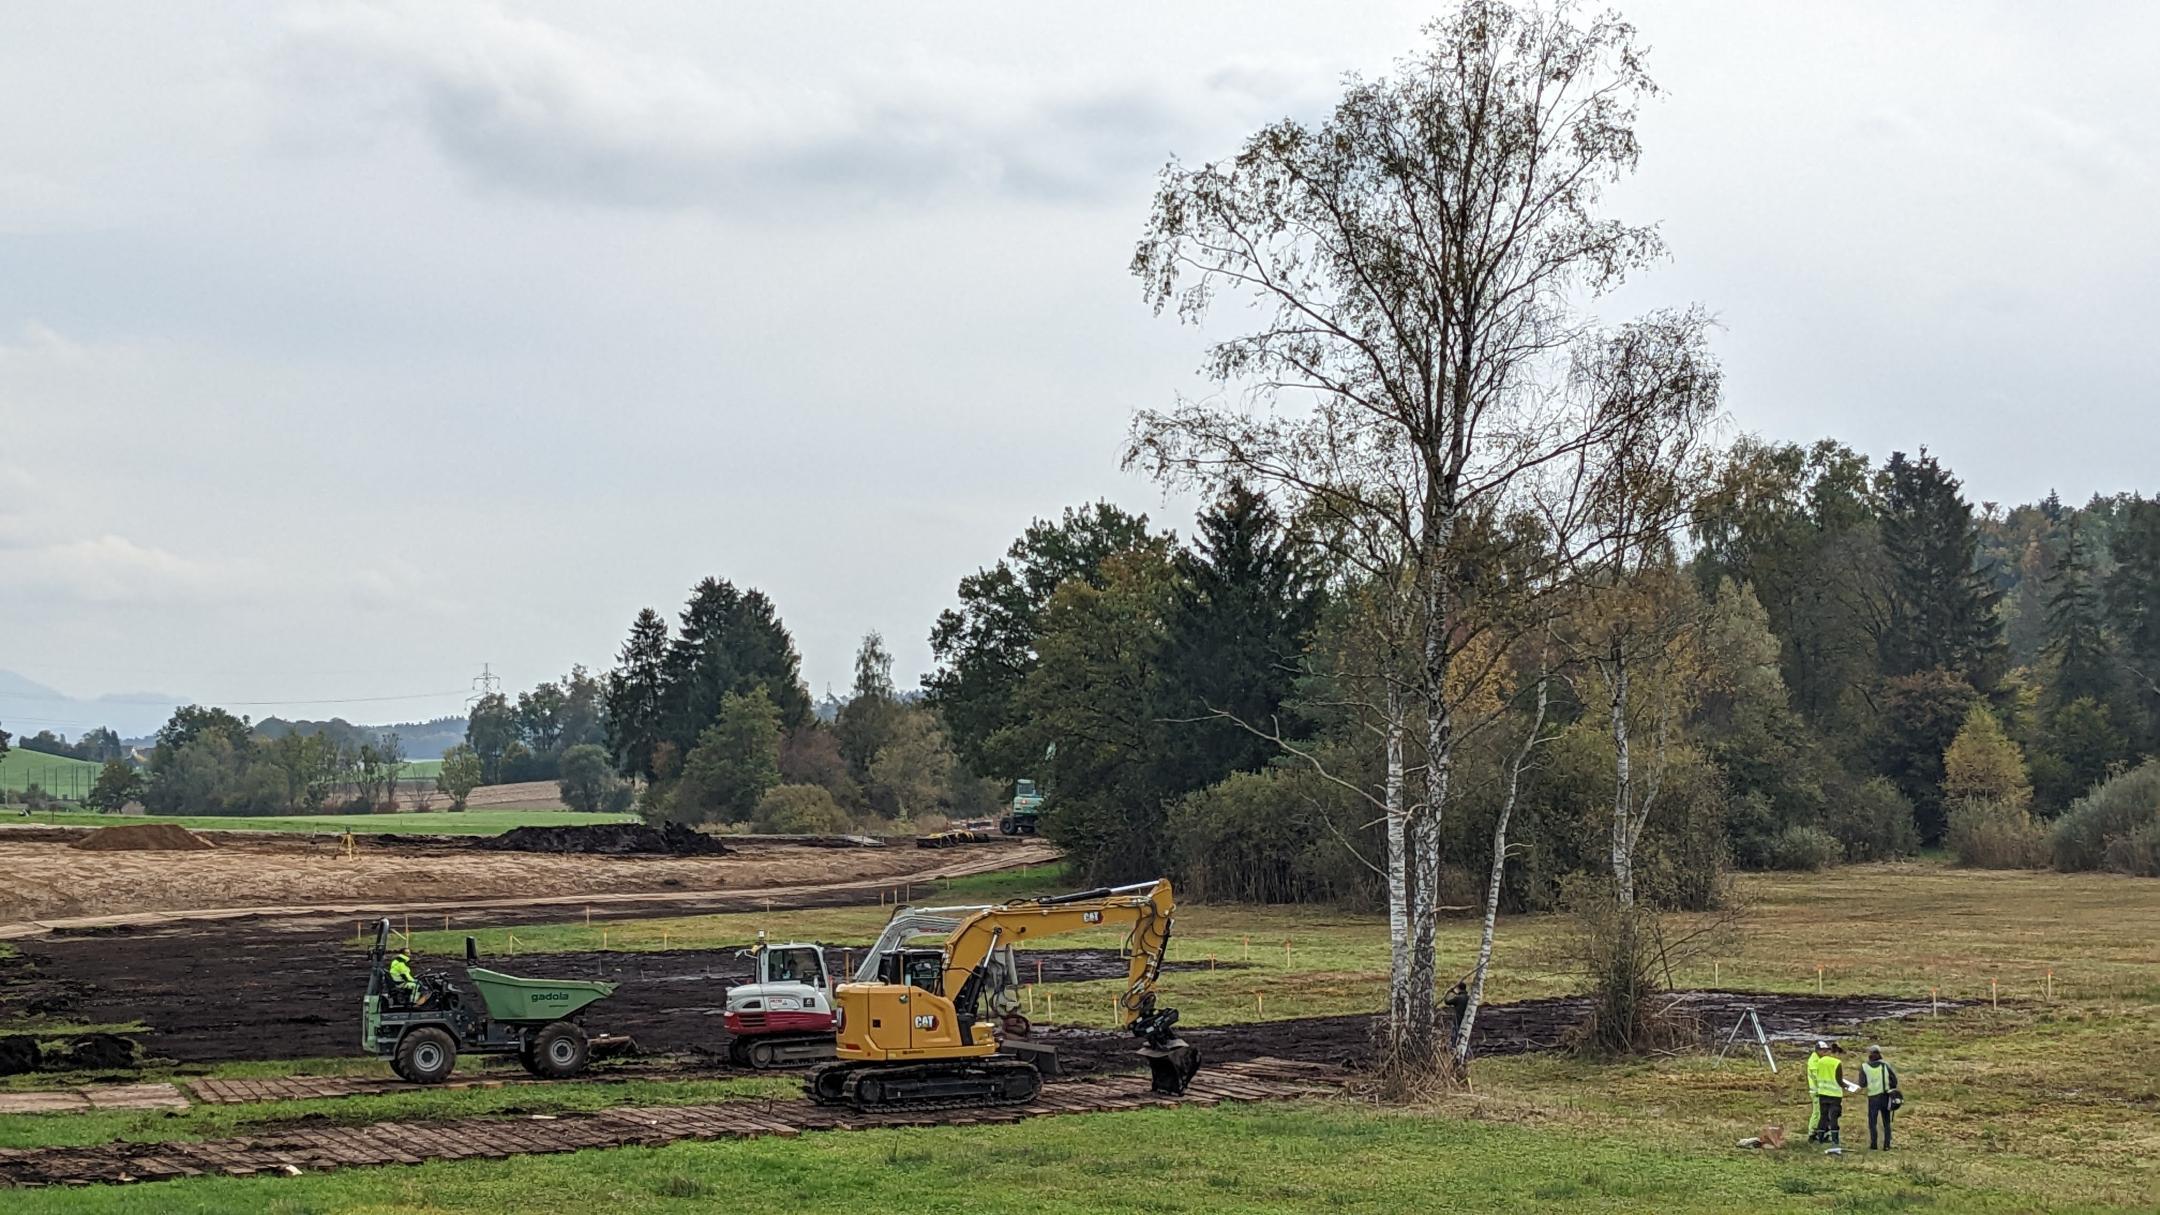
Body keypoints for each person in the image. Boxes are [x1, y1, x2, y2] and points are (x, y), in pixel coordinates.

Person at [1808, 1040, 1848, 1153]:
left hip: (1822, 1092)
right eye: (1823, 1050)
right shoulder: (1817, 1061)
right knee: (1821, 1114)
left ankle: (1821, 1135)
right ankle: (1813, 1134)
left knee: (1823, 1115)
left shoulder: (1820, 1060)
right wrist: (1846, 1086)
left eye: (1826, 1050)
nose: (1825, 1052)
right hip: (1823, 1092)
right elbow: (1820, 1076)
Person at [1862, 1045, 1901, 1150]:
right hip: (1885, 1096)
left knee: (1872, 1122)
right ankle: (1887, 1145)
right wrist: (1891, 1089)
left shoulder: (1865, 1067)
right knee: (1886, 1122)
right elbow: (1894, 1081)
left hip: (1873, 1097)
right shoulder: (1886, 1065)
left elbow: (1862, 1083)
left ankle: (1873, 1144)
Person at [1444, 982, 1470, 1052]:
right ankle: (1465, 1050)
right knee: (1465, 1035)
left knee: (1455, 1034)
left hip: (1458, 1019)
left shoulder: (1458, 999)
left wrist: (1449, 992)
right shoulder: (1469, 998)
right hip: (1467, 1020)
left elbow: (1447, 1001)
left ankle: (1454, 1049)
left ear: (1458, 989)